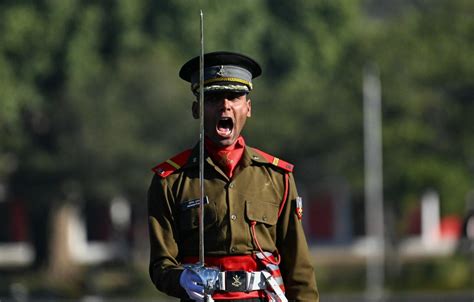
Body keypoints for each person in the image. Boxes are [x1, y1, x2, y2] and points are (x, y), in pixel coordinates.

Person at [147, 51, 319, 301]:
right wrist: (181, 278)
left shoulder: (276, 176)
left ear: (248, 108)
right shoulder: (170, 181)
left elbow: (299, 268)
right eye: (214, 97)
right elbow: (160, 266)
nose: (225, 105)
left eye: (235, 97)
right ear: (197, 109)